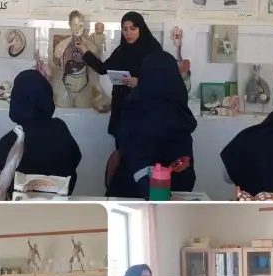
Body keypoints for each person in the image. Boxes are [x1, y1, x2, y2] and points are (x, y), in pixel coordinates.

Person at [106, 51, 197, 199]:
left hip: (128, 195)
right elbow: (186, 176)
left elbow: (131, 155)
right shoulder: (180, 113)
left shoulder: (134, 107)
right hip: (171, 198)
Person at [79, 12, 163, 145]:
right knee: (121, 150)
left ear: (141, 28)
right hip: (122, 109)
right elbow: (102, 69)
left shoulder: (154, 50)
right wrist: (84, 50)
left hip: (143, 111)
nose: (128, 33)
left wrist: (139, 81)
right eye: (125, 29)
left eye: (133, 29)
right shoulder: (122, 50)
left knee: (140, 151)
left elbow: (162, 80)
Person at [0, 70, 82, 196]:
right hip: (59, 203)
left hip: (20, 206)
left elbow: (3, 179)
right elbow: (76, 158)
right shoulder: (60, 128)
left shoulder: (8, 142)